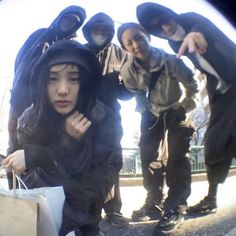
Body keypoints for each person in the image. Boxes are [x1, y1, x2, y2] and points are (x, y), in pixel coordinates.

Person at [3, 40, 120, 236]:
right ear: (42, 82)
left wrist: (41, 156)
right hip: (36, 219)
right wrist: (64, 143)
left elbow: (100, 183)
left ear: (85, 83)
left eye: (73, 79)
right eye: (52, 79)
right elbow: (26, 184)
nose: (63, 89)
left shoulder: (102, 117)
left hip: (84, 222)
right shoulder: (31, 119)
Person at [137, 2, 236, 215]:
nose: (165, 28)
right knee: (213, 143)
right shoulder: (174, 45)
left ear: (170, 14)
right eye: (157, 28)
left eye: (165, 20)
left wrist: (194, 34)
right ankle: (211, 198)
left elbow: (200, 28)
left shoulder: (191, 19)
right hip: (223, 94)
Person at [117, 22, 197, 232]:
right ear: (125, 48)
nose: (136, 45)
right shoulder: (127, 70)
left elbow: (192, 84)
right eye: (129, 43)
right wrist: (145, 112)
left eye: (139, 38)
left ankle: (176, 206)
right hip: (151, 114)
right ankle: (154, 202)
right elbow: (137, 93)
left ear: (148, 37)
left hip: (176, 109)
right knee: (147, 155)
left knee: (177, 155)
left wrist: (185, 106)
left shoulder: (170, 61)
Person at [8, 5, 86, 154]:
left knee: (33, 134)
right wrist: (19, 81)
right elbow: (20, 58)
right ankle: (13, 171)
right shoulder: (40, 34)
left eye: (74, 22)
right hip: (21, 93)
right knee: (13, 133)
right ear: (60, 17)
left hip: (43, 98)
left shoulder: (70, 46)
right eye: (67, 18)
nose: (69, 23)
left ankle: (29, 170)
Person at [82, 12, 133, 227]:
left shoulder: (121, 53)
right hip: (82, 117)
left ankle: (113, 209)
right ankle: (87, 209)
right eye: (96, 30)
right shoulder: (79, 51)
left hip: (111, 118)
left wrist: (130, 87)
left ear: (111, 33)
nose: (100, 34)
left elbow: (127, 90)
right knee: (83, 162)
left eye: (105, 31)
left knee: (111, 163)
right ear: (89, 31)